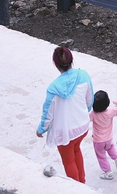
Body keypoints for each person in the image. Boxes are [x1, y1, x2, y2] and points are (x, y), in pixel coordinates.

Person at [36, 46, 94, 183]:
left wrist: (41, 129)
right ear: (71, 60)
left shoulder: (53, 88)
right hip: (82, 127)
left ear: (55, 64)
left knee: (68, 161)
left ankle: (76, 187)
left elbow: (47, 115)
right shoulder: (84, 75)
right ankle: (82, 182)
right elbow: (89, 101)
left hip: (64, 133)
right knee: (76, 150)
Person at [90, 90, 117, 180]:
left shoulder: (93, 114)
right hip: (108, 139)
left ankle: (108, 172)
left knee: (101, 156)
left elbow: (85, 120)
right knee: (111, 148)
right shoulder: (111, 111)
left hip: (98, 141)